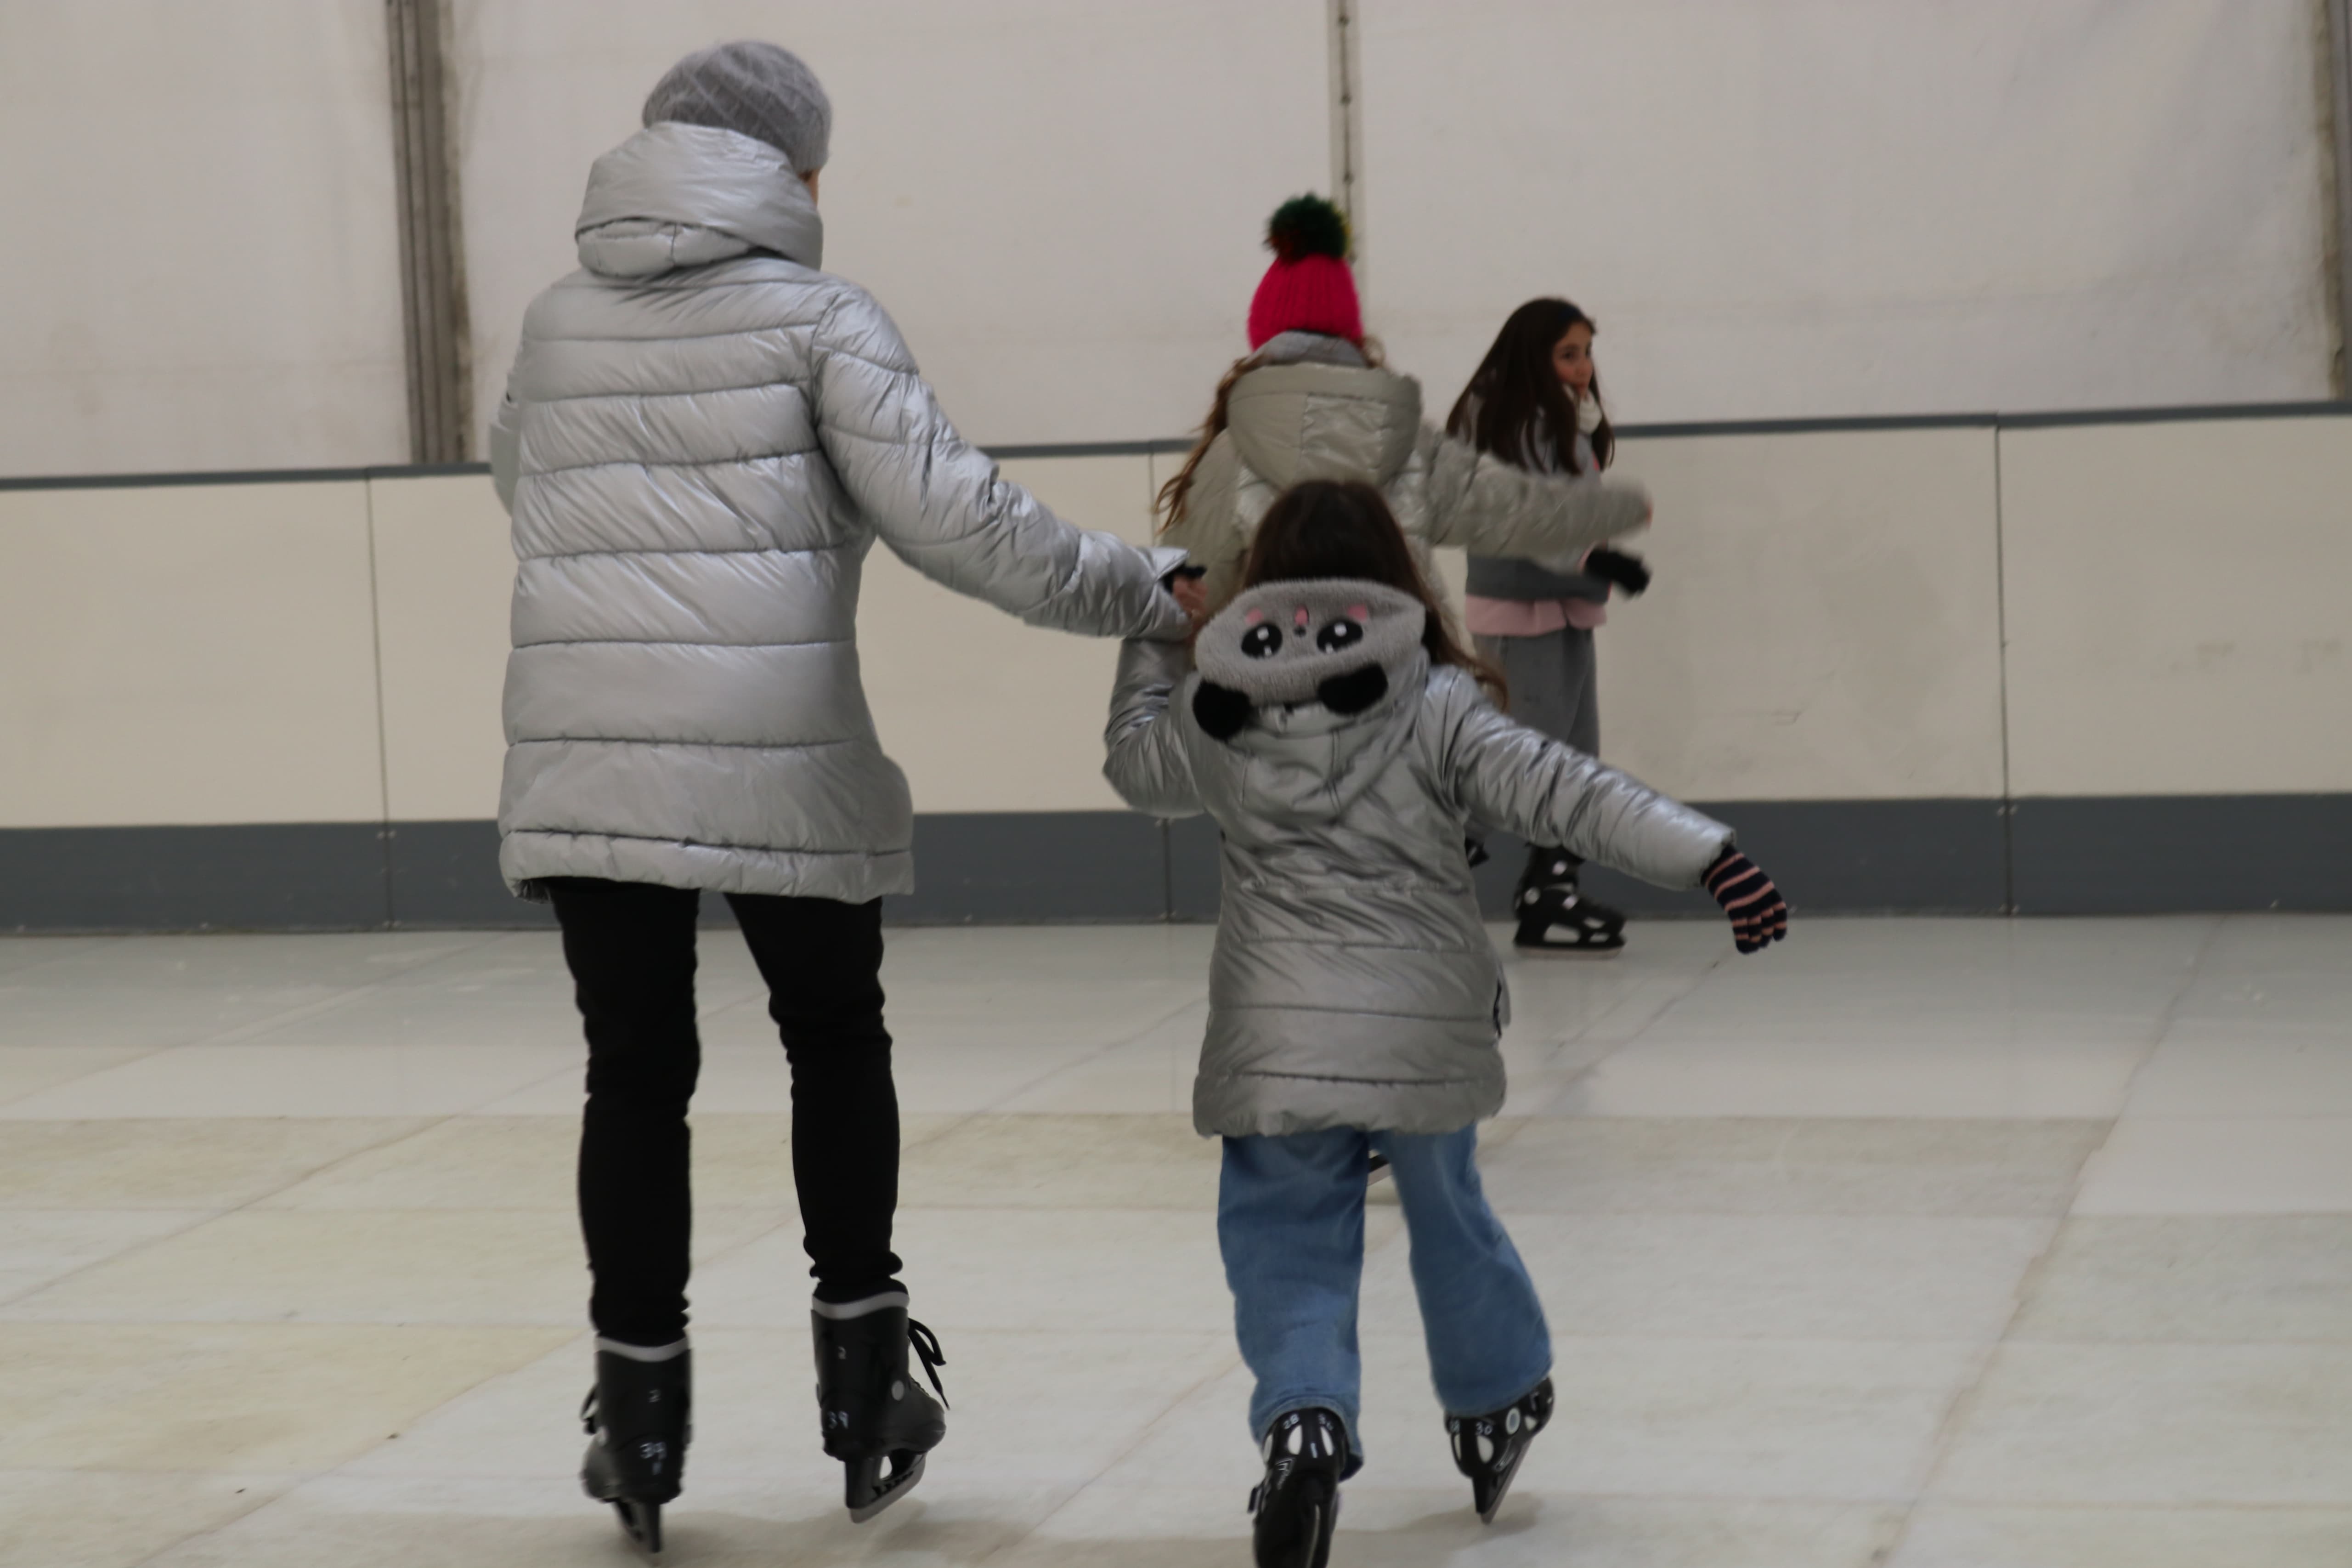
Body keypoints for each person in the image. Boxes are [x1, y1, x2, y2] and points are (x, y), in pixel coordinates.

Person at [486, 40, 1194, 1551]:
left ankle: (641, 1411)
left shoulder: (554, 323)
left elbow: (522, 487)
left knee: (633, 1067)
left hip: (582, 739)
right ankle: (869, 1379)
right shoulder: (822, 315)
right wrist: (1146, 586)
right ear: (796, 171)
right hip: (776, 737)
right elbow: (960, 520)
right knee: (832, 1034)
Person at [1102, 479, 1787, 1568]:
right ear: (1392, 576)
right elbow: (1568, 790)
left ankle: (1303, 1419)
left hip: (1273, 1036)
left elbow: (1134, 762)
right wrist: (1707, 852)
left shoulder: (1214, 706)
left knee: (1284, 1238)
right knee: (1448, 1209)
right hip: (1421, 1026)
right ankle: (1497, 1397)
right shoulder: (1433, 697)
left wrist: (1154, 628)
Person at [1157, 196, 1654, 616]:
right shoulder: (1409, 443)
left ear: (1262, 340)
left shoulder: (1231, 453)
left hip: (1273, 692)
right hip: (1404, 691)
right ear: (1352, 337)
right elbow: (1510, 511)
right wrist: (1615, 508)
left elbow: (1182, 595)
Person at [1449, 298, 1652, 957]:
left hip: (1563, 604)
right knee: (1510, 760)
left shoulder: (1561, 420)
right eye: (1568, 354)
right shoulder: (1505, 422)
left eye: (1588, 353)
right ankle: (1415, 882)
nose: (1584, 369)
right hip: (1520, 610)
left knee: (1572, 757)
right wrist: (1599, 555)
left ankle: (1550, 889)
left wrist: (1598, 551)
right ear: (1532, 356)